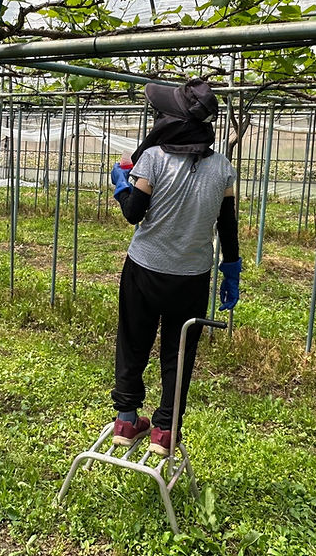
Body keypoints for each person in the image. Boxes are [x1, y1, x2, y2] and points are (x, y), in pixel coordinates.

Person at [108, 78, 241, 456]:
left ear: (174, 121)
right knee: (179, 351)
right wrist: (231, 268)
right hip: (192, 277)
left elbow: (134, 215)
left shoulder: (152, 159)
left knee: (134, 340)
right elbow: (227, 227)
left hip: (144, 268)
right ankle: (165, 429)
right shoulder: (223, 168)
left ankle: (127, 418)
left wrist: (121, 186)